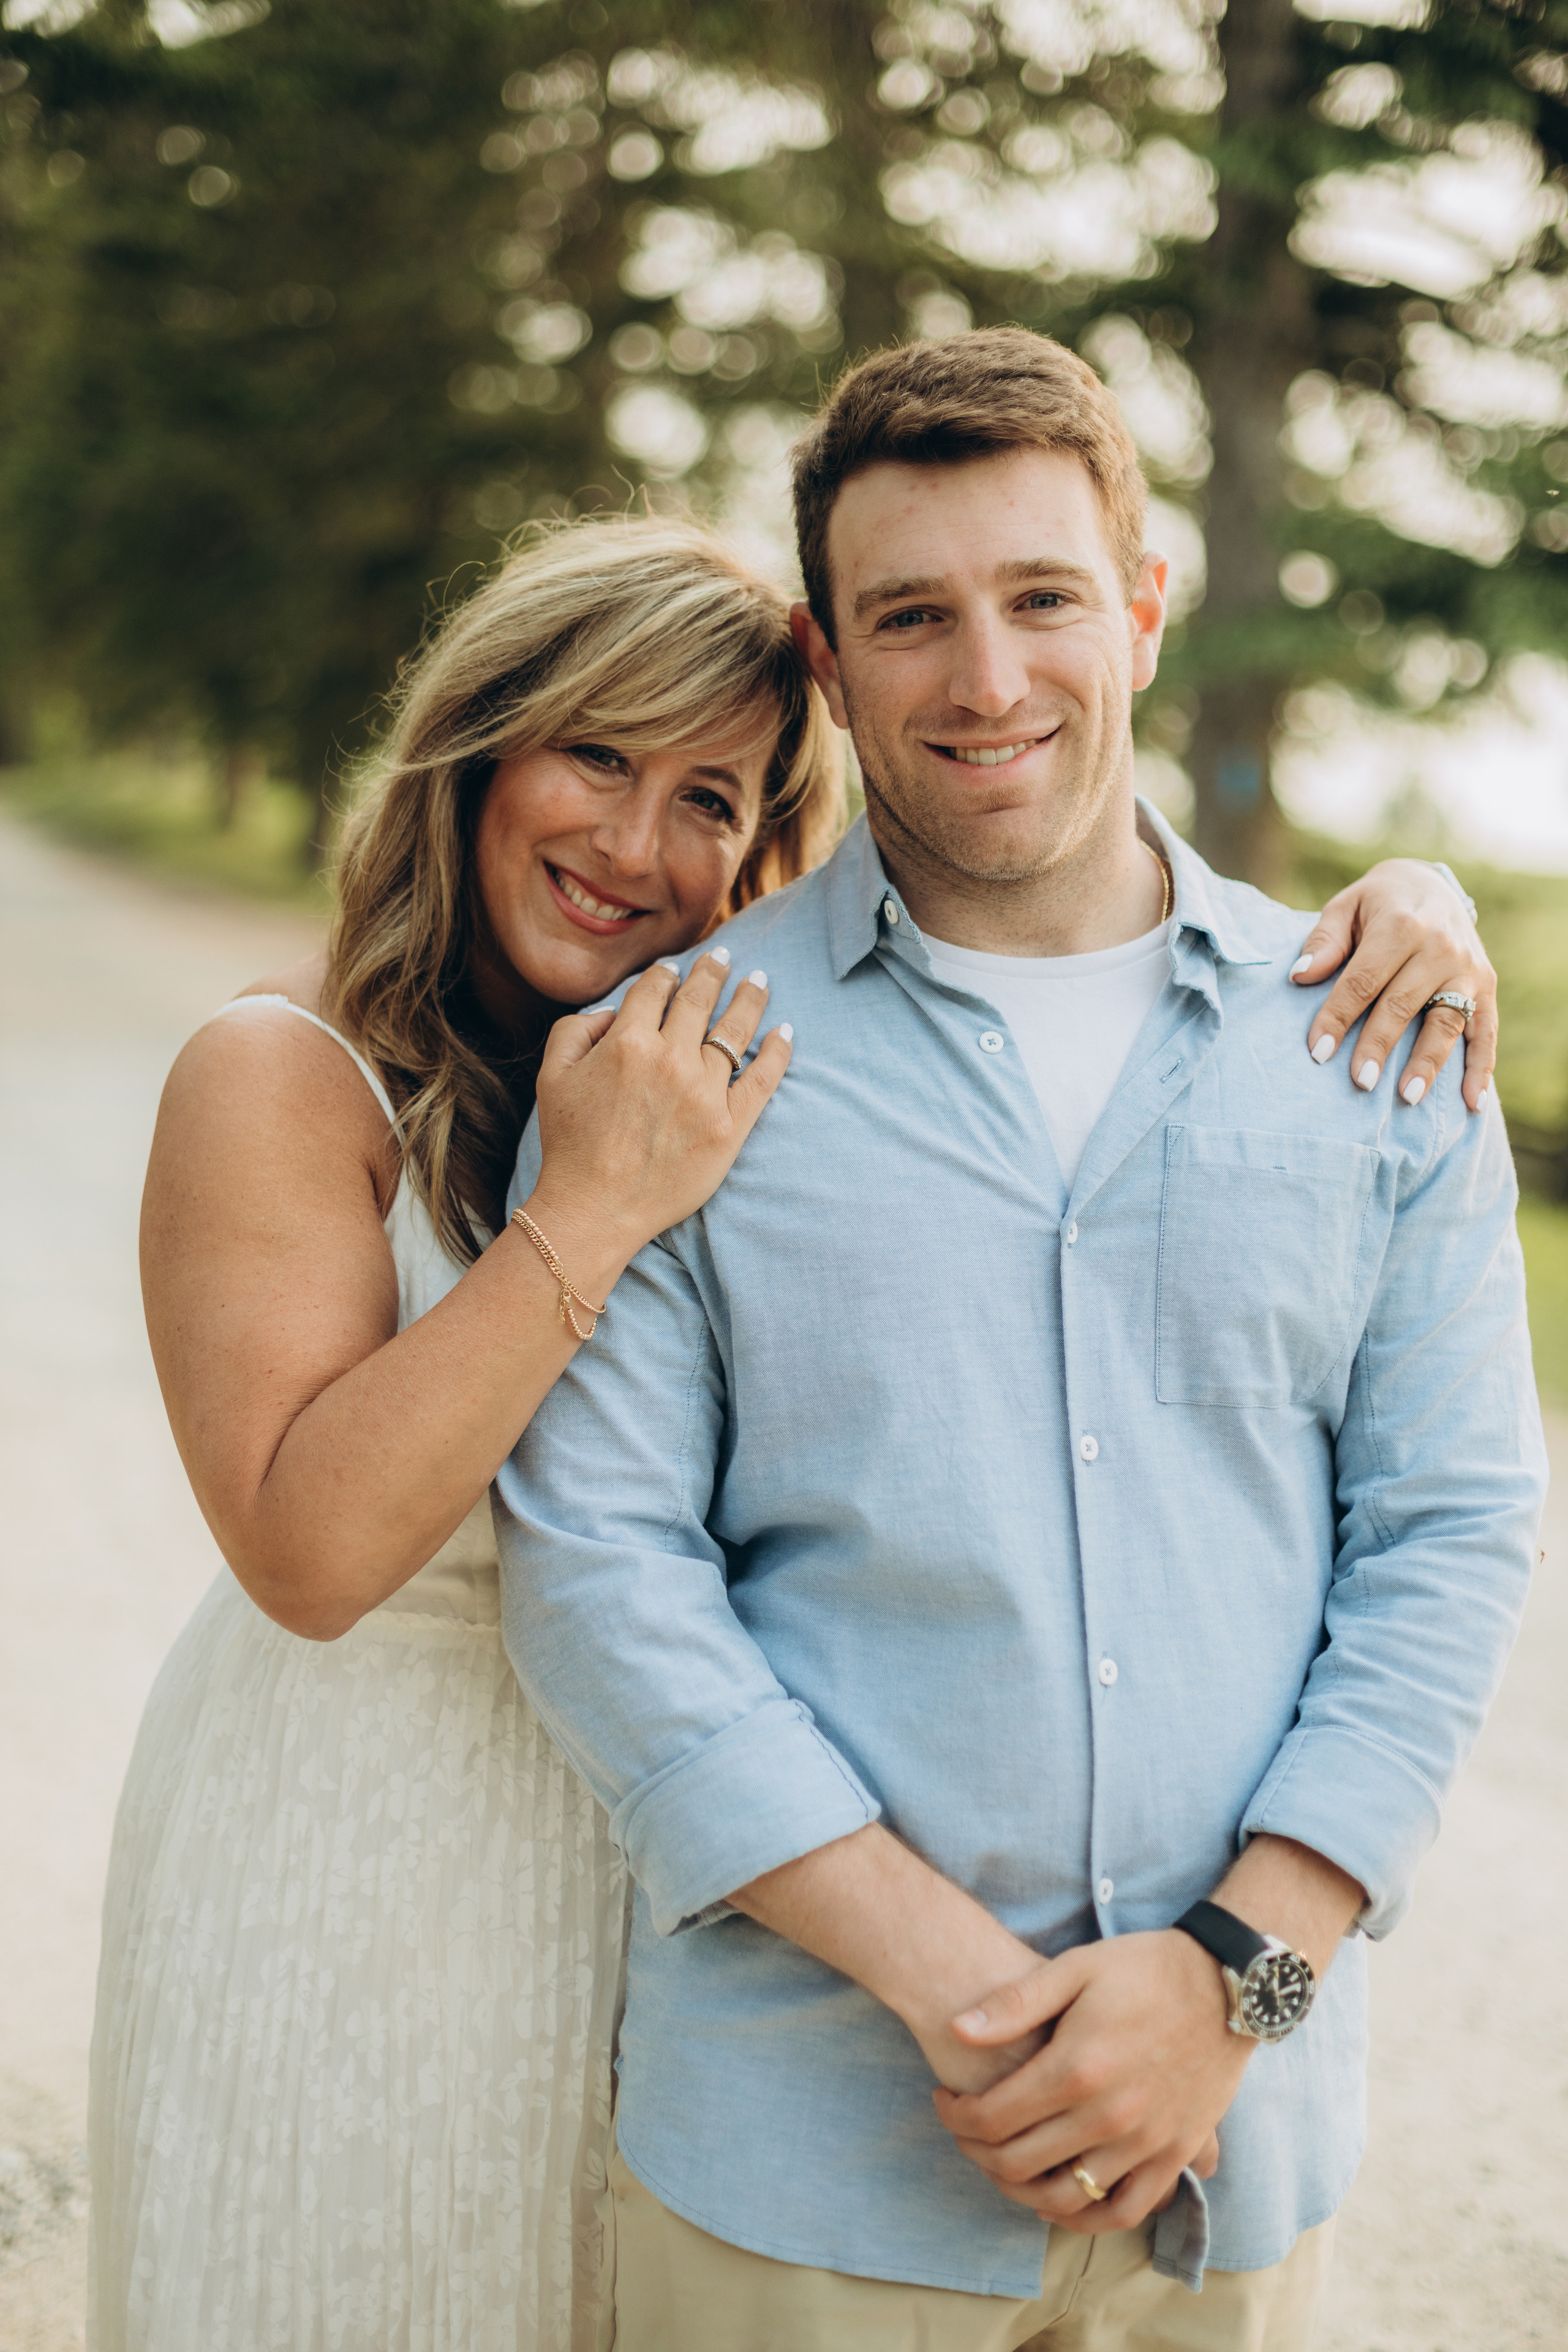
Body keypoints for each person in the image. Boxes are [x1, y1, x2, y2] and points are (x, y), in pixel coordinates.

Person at [90, 502, 1491, 2352]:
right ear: (477, 750)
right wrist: (585, 1212)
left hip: (669, 1899)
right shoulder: (284, 1071)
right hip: (371, 1857)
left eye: (713, 799)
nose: (633, 844)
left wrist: (1413, 899)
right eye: (593, 754)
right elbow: (309, 1553)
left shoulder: (713, 1061)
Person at [492, 331, 1547, 2352]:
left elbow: (1454, 1530)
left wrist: (1235, 1974)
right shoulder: (681, 1055)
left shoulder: (1382, 1052)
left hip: (1235, 2164)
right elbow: (604, 1568)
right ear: (829, 658)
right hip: (801, 2163)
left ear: (1142, 610)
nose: (986, 680)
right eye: (913, 618)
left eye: (1042, 597)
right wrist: (969, 2001)